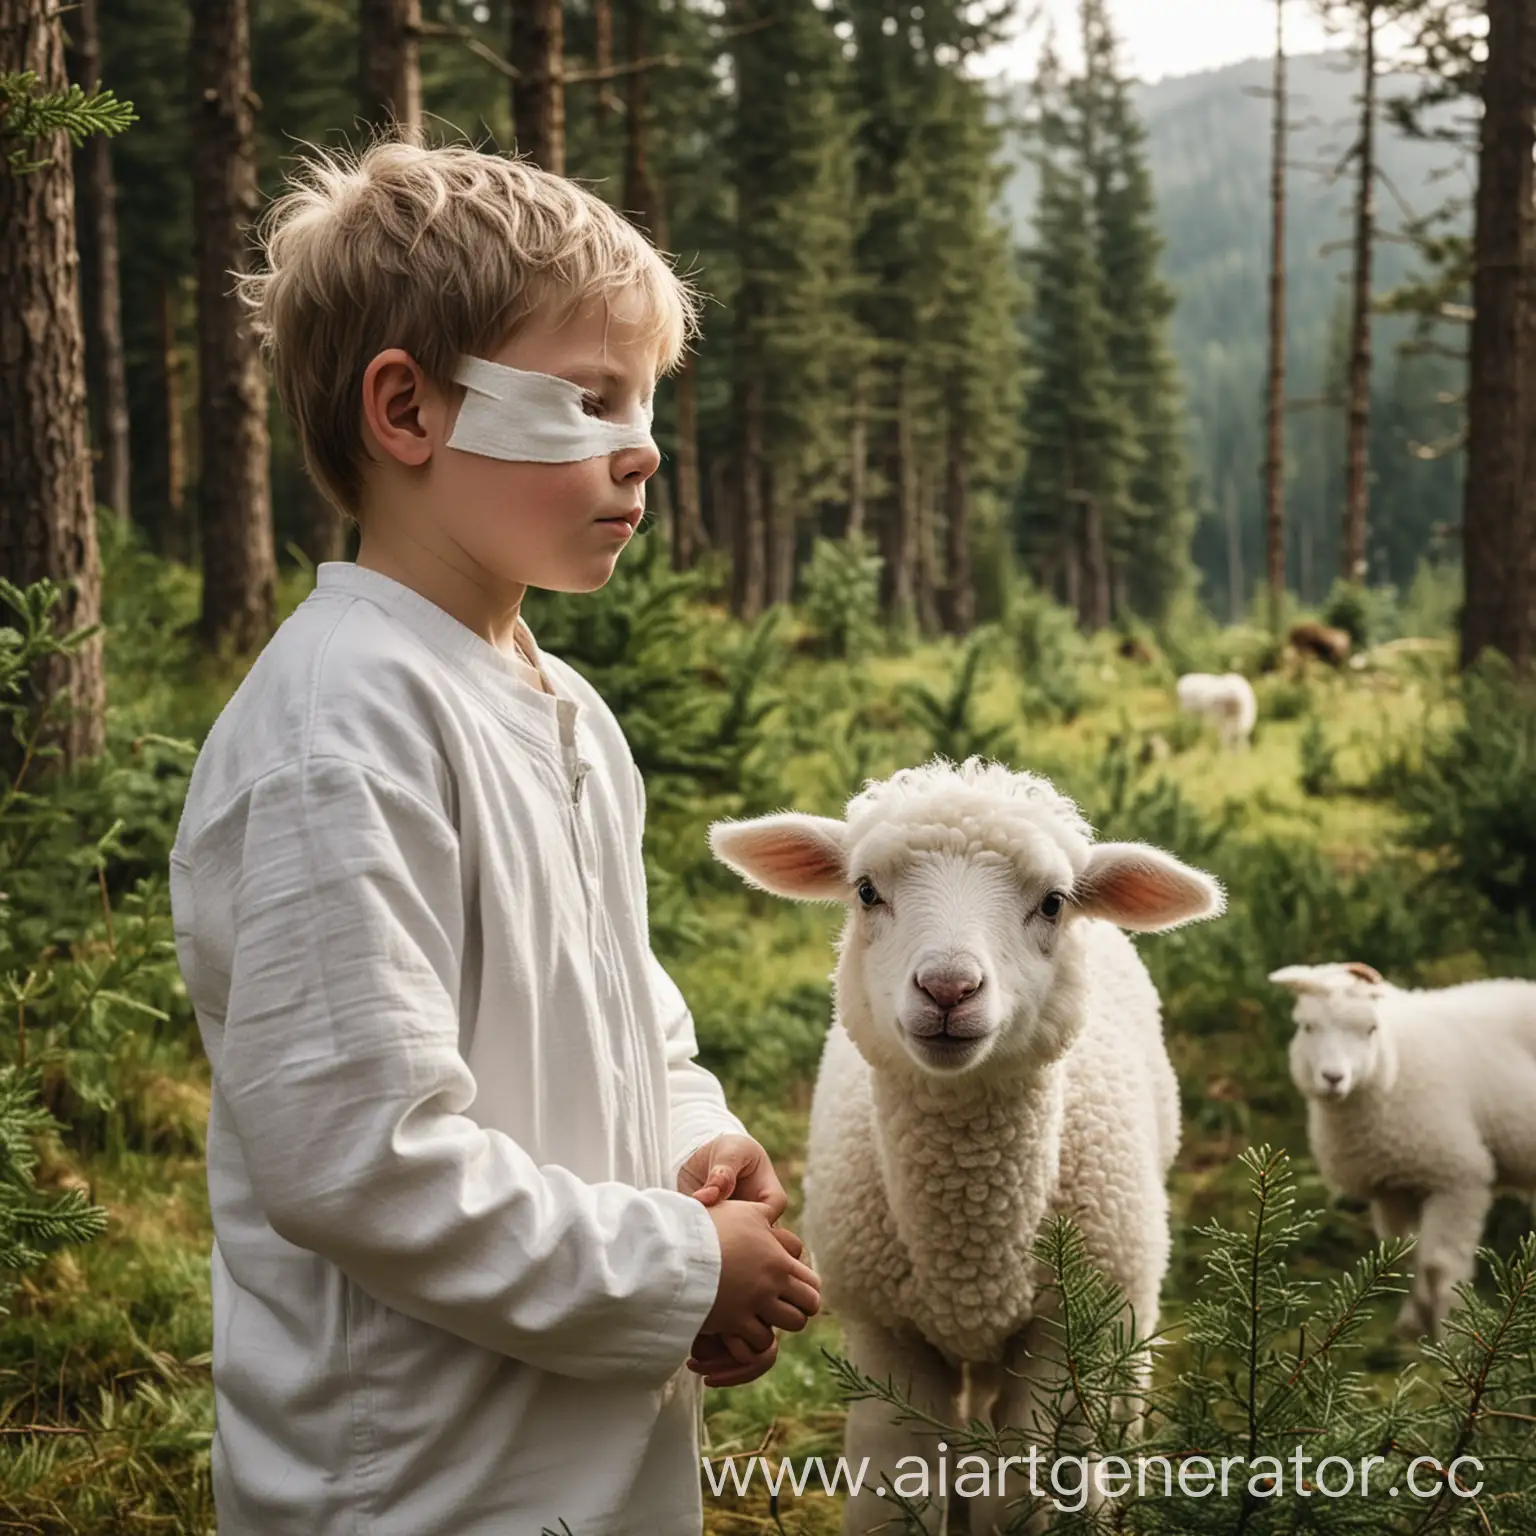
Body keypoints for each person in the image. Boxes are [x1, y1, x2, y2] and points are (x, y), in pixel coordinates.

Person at [168, 137, 820, 1536]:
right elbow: (366, 1158)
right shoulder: (335, 735)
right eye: (587, 401)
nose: (643, 446)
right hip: (419, 1484)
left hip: (593, 1449)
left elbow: (620, 1006)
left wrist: (695, 1150)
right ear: (407, 409)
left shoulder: (561, 704)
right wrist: (677, 1269)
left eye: (646, 401)